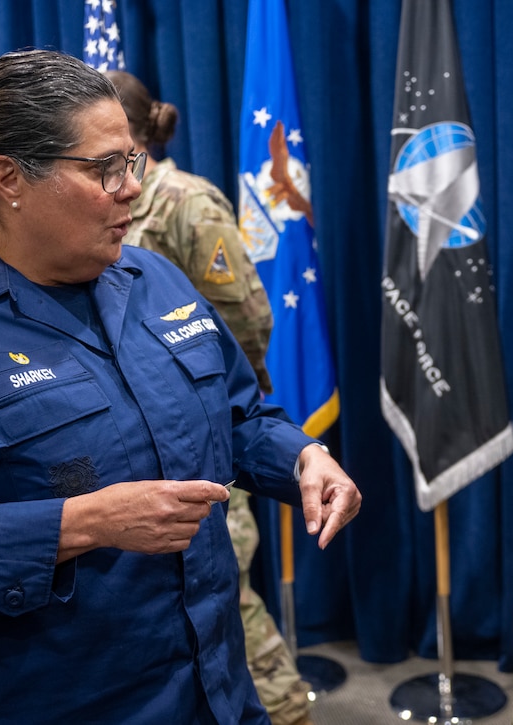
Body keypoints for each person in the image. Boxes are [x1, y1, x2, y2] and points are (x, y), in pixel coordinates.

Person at [0, 49, 361, 724]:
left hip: (216, 694)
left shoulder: (156, 282)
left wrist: (300, 457)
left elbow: (237, 414)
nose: (132, 187)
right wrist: (86, 522)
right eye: (104, 168)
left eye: (133, 160)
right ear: (9, 178)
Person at [106, 69, 315, 725]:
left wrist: (216, 403)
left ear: (134, 135)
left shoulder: (187, 204)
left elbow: (247, 319)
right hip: (134, 450)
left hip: (196, 440)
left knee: (226, 591)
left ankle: (283, 707)